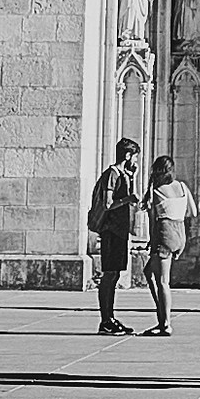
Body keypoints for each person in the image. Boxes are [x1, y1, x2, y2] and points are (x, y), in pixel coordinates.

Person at [88, 137, 142, 336]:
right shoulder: (112, 173)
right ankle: (105, 319)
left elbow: (130, 198)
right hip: (111, 231)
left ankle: (110, 317)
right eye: (134, 157)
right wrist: (127, 198)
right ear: (127, 156)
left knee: (115, 274)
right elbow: (108, 204)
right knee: (109, 274)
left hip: (120, 231)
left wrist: (133, 178)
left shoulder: (124, 174)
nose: (135, 161)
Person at [140, 156, 194, 336]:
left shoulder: (156, 190)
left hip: (164, 232)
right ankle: (161, 314)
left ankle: (165, 323)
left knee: (163, 281)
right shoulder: (182, 186)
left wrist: (152, 241)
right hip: (180, 233)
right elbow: (192, 211)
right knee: (149, 272)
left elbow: (151, 218)